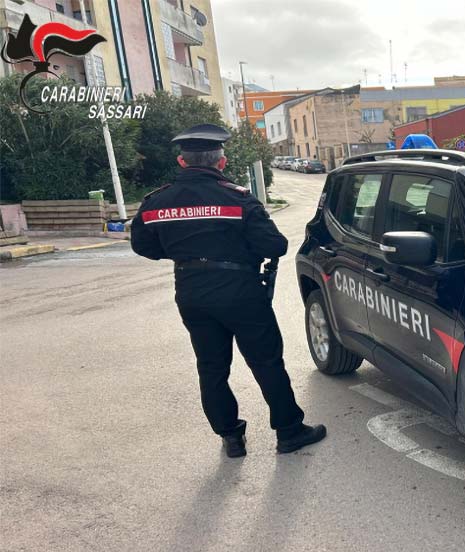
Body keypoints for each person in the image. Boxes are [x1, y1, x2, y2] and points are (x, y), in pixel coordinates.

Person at [130, 123, 326, 458]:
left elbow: (143, 246)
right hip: (240, 290)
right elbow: (275, 245)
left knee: (211, 366)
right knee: (266, 362)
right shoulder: (237, 198)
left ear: (182, 162)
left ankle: (231, 437)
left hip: (191, 292)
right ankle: (289, 431)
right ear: (221, 162)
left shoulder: (156, 202)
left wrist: (184, 253)